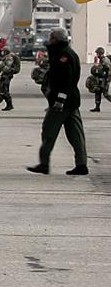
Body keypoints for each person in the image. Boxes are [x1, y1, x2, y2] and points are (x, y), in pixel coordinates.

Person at [28, 27, 88, 176]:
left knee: (49, 131)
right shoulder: (66, 52)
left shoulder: (63, 55)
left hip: (62, 102)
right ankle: (81, 164)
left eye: (50, 37)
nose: (49, 40)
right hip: (72, 100)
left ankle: (44, 163)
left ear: (55, 39)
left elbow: (65, 79)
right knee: (76, 134)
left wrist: (60, 99)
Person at [0, 47, 21, 111]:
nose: (1, 52)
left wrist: (1, 74)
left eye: (3, 51)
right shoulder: (6, 58)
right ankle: (9, 104)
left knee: (5, 90)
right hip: (5, 75)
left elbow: (7, 67)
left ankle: (9, 105)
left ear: (5, 52)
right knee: (3, 90)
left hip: (6, 76)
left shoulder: (9, 58)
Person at [86, 47, 109, 112]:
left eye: (97, 53)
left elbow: (109, 70)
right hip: (100, 78)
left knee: (106, 94)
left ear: (100, 53)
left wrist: (107, 79)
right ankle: (97, 107)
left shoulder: (105, 61)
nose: (97, 55)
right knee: (98, 92)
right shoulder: (101, 60)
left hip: (105, 79)